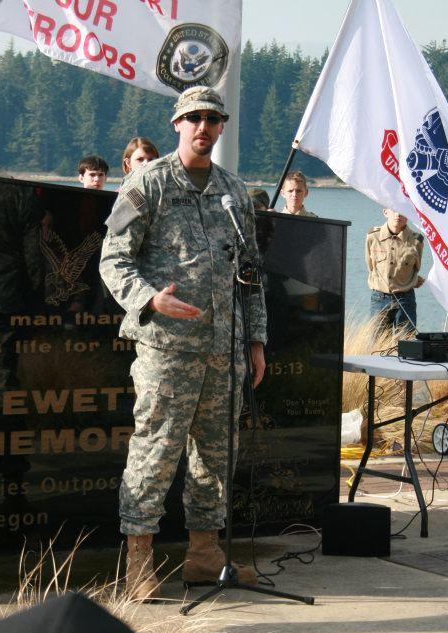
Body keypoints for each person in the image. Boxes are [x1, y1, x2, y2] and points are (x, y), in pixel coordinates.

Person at [99, 86, 267, 600]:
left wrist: (256, 339)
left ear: (221, 127)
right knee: (154, 453)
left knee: (215, 457)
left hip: (225, 350)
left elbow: (252, 273)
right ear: (177, 124)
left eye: (212, 120)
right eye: (193, 118)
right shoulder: (146, 184)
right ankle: (139, 563)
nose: (203, 128)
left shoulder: (233, 192)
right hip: (168, 350)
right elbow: (112, 259)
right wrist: (149, 299)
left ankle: (203, 553)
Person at [365, 207, 424, 333]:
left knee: (407, 345)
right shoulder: (372, 237)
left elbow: (416, 269)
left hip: (405, 299)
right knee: (377, 345)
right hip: (379, 299)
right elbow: (371, 267)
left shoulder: (416, 241)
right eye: (394, 209)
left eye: (403, 210)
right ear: (385, 212)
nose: (398, 214)